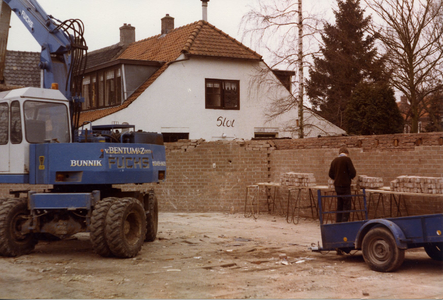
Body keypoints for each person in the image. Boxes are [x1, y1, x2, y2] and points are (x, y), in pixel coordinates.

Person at [328, 146, 356, 223]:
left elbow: (330, 174)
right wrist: (348, 177)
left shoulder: (334, 161)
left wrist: (337, 178)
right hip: (345, 185)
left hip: (337, 186)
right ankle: (344, 222)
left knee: (340, 204)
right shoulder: (347, 159)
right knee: (347, 205)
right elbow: (353, 173)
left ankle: (338, 221)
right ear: (347, 153)